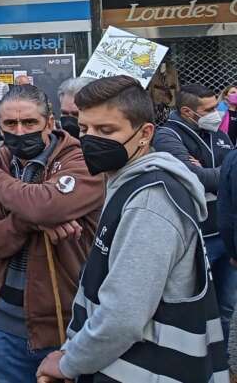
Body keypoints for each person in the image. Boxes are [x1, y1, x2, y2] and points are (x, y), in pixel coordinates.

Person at [36, 76, 229, 383]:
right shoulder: (127, 183)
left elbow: (122, 318)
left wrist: (68, 364)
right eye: (85, 128)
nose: (90, 139)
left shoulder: (150, 200)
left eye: (107, 130)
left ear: (144, 133)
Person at [0, 84, 104, 383]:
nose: (19, 131)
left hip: (68, 323)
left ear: (50, 122)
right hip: (3, 324)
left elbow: (47, 207)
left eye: (29, 122)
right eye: (10, 124)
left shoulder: (81, 159)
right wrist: (29, 219)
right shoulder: (1, 165)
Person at [152, 83, 237, 344]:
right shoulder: (168, 135)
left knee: (226, 307)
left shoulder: (218, 134)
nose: (217, 113)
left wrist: (215, 174)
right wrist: (225, 171)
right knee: (197, 308)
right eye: (209, 109)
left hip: (225, 236)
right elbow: (194, 178)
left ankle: (222, 361)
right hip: (197, 237)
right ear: (188, 111)